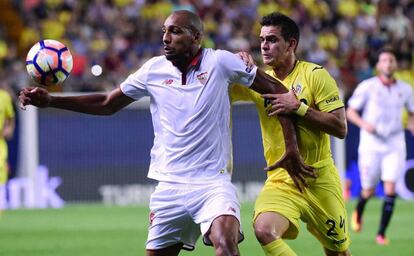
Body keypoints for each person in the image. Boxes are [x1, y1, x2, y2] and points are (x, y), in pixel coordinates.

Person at [19, 10, 314, 256]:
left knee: (226, 244)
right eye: (164, 31)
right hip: (169, 187)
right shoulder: (152, 70)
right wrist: (51, 101)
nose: (165, 38)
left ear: (196, 38)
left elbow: (277, 90)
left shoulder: (221, 62)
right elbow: (108, 103)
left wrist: (292, 147)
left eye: (175, 31)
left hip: (212, 184)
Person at [232, 12, 351, 255]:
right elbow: (217, 87)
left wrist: (299, 107)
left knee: (337, 251)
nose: (264, 46)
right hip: (281, 180)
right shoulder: (257, 80)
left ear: (291, 44)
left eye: (273, 40)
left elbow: (340, 128)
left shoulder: (315, 75)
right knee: (264, 230)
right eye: (262, 40)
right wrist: (230, 65)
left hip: (319, 179)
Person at [347, 47, 414, 245]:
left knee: (390, 187)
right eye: (384, 60)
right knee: (368, 189)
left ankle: (381, 233)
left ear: (395, 64)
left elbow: (411, 114)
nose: (388, 63)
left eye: (391, 60)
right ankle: (359, 210)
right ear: (378, 65)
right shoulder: (367, 87)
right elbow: (350, 111)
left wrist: (411, 126)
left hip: (395, 142)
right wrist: (363, 124)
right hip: (372, 143)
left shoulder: (405, 89)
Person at [0, 84, 15, 213]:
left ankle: (1, 203)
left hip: (0, 142)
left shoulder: (4, 96)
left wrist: (8, 128)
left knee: (1, 170)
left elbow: (10, 117)